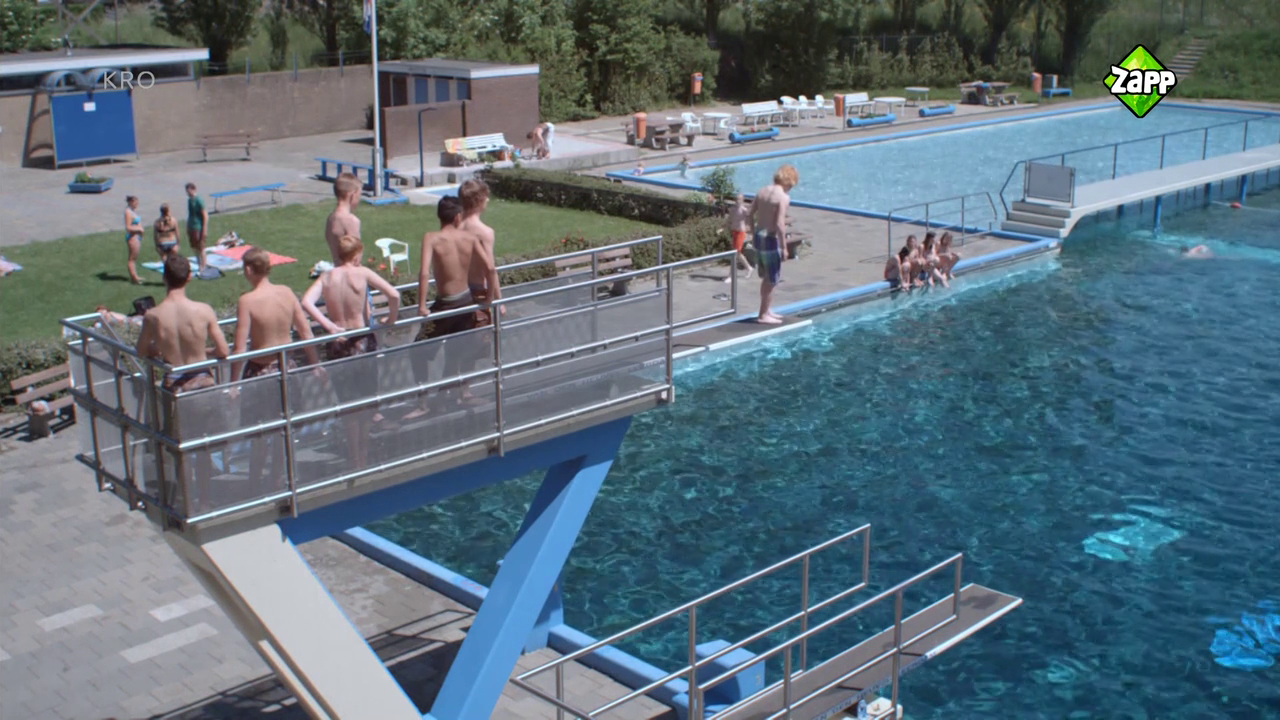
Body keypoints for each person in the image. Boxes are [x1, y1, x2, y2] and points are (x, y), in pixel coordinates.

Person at [301, 234, 400, 472]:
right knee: (366, 402)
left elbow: (306, 302)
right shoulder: (362, 273)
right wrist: (390, 319)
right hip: (362, 341)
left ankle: (354, 456)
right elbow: (394, 295)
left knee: (348, 405)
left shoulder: (326, 277)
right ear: (357, 255)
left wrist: (329, 325)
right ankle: (363, 457)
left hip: (338, 342)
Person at [232, 247, 321, 484]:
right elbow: (306, 332)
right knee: (284, 428)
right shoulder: (286, 293)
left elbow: (239, 349)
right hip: (286, 368)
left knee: (259, 433)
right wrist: (315, 364)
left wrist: (233, 384)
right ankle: (278, 478)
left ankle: (254, 482)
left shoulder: (247, 301)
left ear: (249, 270)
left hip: (260, 373)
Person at [135, 254, 229, 393]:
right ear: (189, 277)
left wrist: (158, 348)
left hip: (173, 379)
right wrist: (205, 351)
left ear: (164, 278)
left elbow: (141, 351)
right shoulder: (204, 310)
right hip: (201, 377)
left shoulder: (153, 316)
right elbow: (223, 351)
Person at [748, 164, 799, 324]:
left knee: (766, 277)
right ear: (789, 182)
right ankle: (763, 315)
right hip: (770, 239)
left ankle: (766, 310)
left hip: (759, 236)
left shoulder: (762, 191)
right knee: (772, 279)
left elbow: (750, 214)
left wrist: (753, 233)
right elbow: (779, 224)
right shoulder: (783, 197)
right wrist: (784, 247)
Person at [325, 172, 363, 264]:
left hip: (337, 268)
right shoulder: (351, 221)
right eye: (359, 195)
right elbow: (356, 258)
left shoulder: (331, 218)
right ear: (353, 195)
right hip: (350, 271)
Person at [724, 194, 754, 282]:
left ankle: (730, 276)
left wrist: (750, 229)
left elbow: (749, 219)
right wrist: (723, 228)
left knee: (735, 253)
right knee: (738, 254)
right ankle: (749, 268)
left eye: (739, 199)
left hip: (741, 232)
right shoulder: (733, 210)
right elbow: (729, 220)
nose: (737, 201)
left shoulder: (744, 210)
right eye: (736, 199)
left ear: (742, 200)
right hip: (734, 232)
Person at [185, 183, 209, 276]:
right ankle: (199, 264)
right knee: (194, 247)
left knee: (201, 247)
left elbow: (205, 215)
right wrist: (187, 226)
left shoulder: (199, 200)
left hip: (199, 226)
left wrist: (204, 228)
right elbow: (190, 214)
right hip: (192, 226)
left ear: (193, 189)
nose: (188, 193)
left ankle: (204, 266)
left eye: (189, 191)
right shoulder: (189, 201)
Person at [124, 195, 144, 284]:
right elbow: (128, 227)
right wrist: (139, 229)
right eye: (135, 202)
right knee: (132, 258)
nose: (137, 204)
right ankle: (134, 278)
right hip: (132, 237)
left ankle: (135, 275)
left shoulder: (132, 211)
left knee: (135, 258)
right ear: (130, 202)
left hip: (137, 237)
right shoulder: (128, 212)